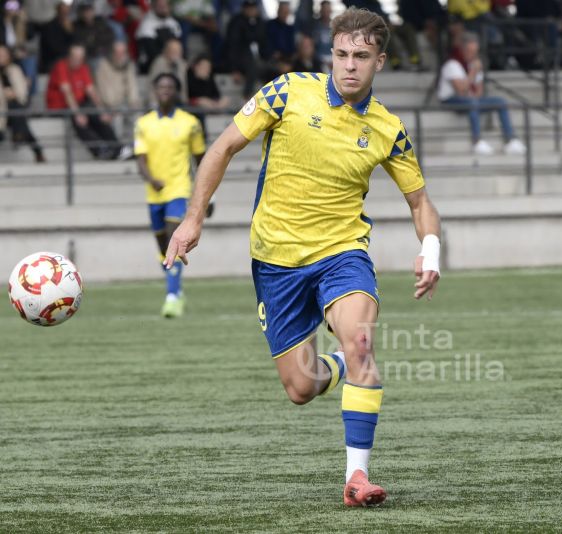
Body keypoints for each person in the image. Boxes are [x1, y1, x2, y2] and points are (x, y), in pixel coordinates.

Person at [164, 7, 441, 507]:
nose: (349, 65)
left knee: (361, 342)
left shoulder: (388, 129)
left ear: (380, 61)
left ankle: (357, 478)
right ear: (330, 53)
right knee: (300, 387)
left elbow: (419, 202)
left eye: (361, 56)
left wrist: (431, 251)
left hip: (342, 253)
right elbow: (222, 147)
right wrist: (193, 218)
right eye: (341, 54)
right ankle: (342, 365)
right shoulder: (288, 90)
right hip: (276, 260)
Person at [135, 72, 205, 318]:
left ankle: (172, 297)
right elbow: (140, 160)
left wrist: (208, 197)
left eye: (169, 87)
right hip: (154, 194)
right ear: (155, 91)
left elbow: (202, 161)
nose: (165, 90)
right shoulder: (144, 123)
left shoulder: (190, 122)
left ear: (176, 91)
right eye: (161, 86)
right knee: (162, 247)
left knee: (173, 241)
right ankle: (175, 288)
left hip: (180, 190)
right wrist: (151, 179)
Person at [438, 32, 525, 156]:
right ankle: (477, 141)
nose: (473, 54)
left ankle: (510, 140)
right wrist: (473, 72)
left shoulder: (474, 65)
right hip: (451, 100)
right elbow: (460, 90)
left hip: (470, 100)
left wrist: (476, 74)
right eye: (470, 51)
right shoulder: (452, 64)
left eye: (475, 51)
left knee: (500, 102)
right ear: (463, 49)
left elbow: (478, 93)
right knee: (472, 103)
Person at [46, 43, 123, 160]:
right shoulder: (61, 66)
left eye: (80, 58)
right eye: (74, 57)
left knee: (96, 115)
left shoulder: (83, 67)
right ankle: (99, 150)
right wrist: (78, 114)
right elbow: (67, 92)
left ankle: (117, 148)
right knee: (78, 119)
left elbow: (91, 91)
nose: (77, 60)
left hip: (78, 103)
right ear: (69, 56)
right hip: (60, 106)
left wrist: (102, 111)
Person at [0, 44, 44, 162]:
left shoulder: (14, 69)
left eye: (3, 54)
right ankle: (21, 138)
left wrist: (11, 94)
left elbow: (21, 91)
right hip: (3, 109)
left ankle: (19, 135)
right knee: (22, 122)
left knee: (16, 110)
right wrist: (5, 93)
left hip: (15, 107)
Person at [224, 0, 271, 96]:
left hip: (260, 58)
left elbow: (265, 43)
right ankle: (246, 96)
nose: (251, 11)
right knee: (252, 67)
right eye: (249, 9)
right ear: (243, 9)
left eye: (253, 8)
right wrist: (234, 69)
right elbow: (233, 47)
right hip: (242, 59)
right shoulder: (236, 22)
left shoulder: (261, 22)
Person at [187, 54, 228, 136]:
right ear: (196, 67)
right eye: (204, 67)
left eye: (208, 67)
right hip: (193, 110)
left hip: (211, 107)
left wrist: (219, 102)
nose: (207, 70)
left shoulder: (209, 78)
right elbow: (187, 98)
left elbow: (216, 95)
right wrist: (199, 101)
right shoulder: (188, 78)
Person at [135, 0, 181, 72]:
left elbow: (179, 45)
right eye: (160, 6)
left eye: (166, 5)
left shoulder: (173, 23)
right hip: (151, 65)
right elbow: (151, 51)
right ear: (153, 7)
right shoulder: (146, 24)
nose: (163, 8)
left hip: (171, 61)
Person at [72, 1, 116, 67]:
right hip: (89, 56)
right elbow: (81, 43)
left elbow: (110, 36)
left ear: (93, 11)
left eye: (89, 11)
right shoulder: (77, 26)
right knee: (96, 62)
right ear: (81, 13)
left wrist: (101, 45)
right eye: (85, 11)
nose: (87, 14)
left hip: (104, 52)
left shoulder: (100, 21)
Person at [147, 37, 188, 104]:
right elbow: (152, 86)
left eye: (178, 51)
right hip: (161, 102)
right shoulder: (159, 62)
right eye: (173, 50)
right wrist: (154, 104)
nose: (176, 53)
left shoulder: (182, 64)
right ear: (166, 51)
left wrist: (185, 103)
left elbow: (184, 87)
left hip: (178, 101)